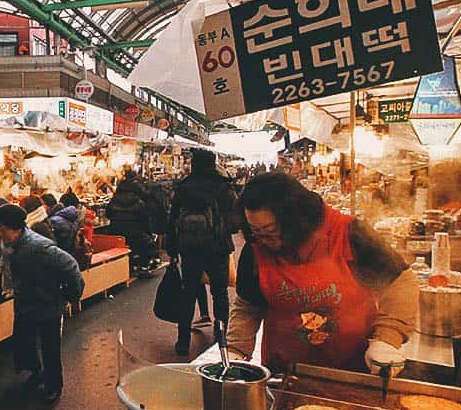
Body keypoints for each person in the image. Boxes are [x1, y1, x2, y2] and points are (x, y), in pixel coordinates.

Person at [227, 173, 417, 377]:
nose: (263, 240)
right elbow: (248, 306)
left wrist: (386, 339)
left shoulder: (349, 233)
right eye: (256, 231)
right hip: (285, 372)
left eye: (270, 231)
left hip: (353, 368)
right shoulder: (256, 248)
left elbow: (400, 283)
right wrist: (236, 349)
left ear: (295, 219)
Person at [0, 203, 84, 403]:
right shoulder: (10, 244)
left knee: (50, 347)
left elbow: (70, 265)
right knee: (25, 341)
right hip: (26, 301)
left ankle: (54, 385)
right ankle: (36, 373)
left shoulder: (39, 247)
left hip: (47, 303)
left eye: (2, 228)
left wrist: (71, 294)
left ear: (16, 229)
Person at [167, 149, 239, 355]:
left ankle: (182, 341)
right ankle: (221, 336)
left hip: (190, 250)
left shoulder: (184, 187)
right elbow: (234, 221)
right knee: (219, 293)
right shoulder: (223, 187)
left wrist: (172, 247)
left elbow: (172, 220)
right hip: (217, 248)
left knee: (188, 293)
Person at [107, 168, 157, 270]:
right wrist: (150, 233)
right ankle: (144, 265)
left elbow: (108, 214)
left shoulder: (114, 200)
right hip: (135, 234)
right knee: (147, 242)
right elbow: (145, 221)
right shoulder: (138, 202)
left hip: (116, 232)